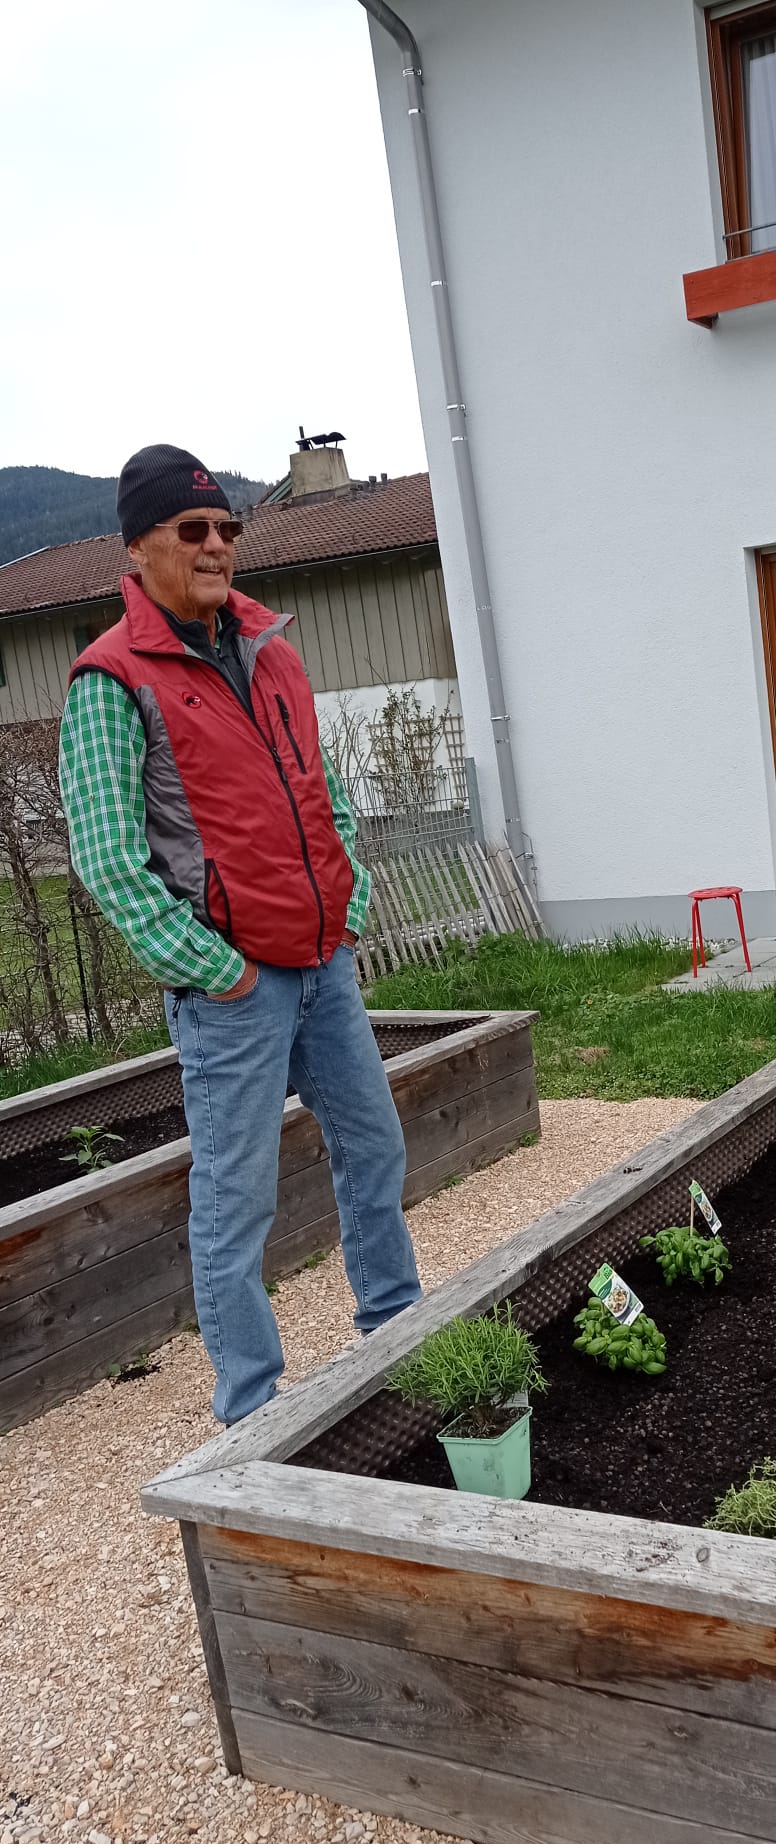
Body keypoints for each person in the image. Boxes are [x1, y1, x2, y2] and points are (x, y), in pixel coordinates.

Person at [58, 444, 422, 1426]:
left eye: (226, 529)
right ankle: (253, 1410)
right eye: (193, 530)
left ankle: (398, 1335)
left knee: (373, 1151)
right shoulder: (110, 680)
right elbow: (106, 859)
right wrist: (212, 969)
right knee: (236, 1201)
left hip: (323, 963)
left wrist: (348, 903)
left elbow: (325, 788)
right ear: (139, 547)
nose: (217, 545)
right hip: (235, 988)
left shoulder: (273, 649)